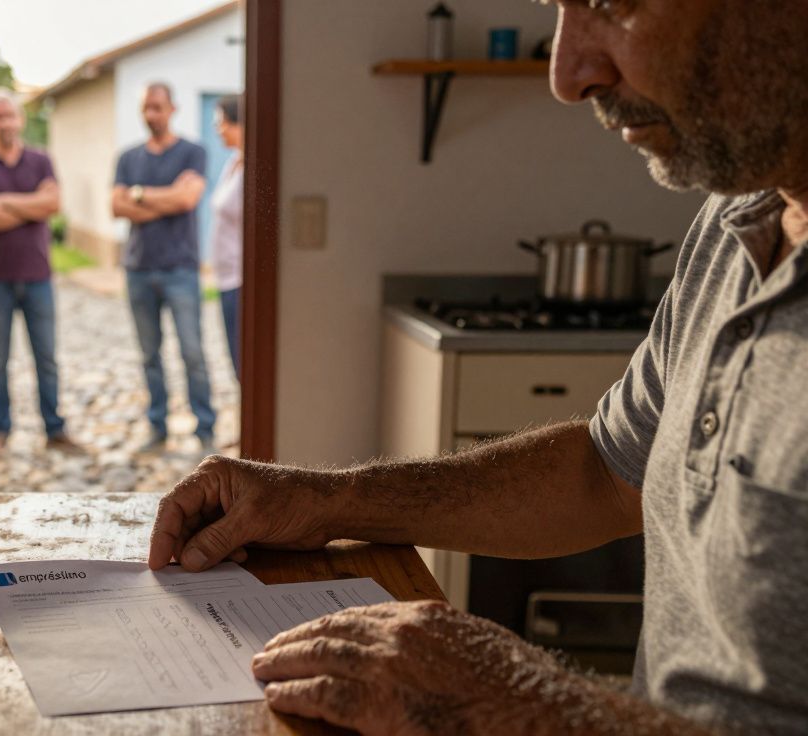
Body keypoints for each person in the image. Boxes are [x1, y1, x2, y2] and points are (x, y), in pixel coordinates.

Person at [149, 1, 808, 734]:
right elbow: (603, 473)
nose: (567, 75)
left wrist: (525, 707)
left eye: (609, 4)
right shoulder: (736, 220)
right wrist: (326, 501)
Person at [0, 88, 82, 454]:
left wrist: (6, 202)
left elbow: (53, 203)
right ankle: (0, 430)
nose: (6, 123)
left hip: (37, 275)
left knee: (46, 356)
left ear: (21, 119)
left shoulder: (41, 160)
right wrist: (31, 205)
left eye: (11, 115)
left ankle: (55, 429)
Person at [112, 82, 214, 455]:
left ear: (173, 108)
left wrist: (138, 195)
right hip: (138, 269)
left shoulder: (193, 152)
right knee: (149, 355)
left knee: (193, 352)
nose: (151, 114)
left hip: (180, 269)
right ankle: (158, 425)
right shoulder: (128, 158)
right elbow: (116, 206)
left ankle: (205, 427)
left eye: (158, 107)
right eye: (146, 108)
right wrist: (164, 197)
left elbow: (188, 199)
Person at [209, 95, 244, 381]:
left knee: (244, 363)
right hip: (226, 278)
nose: (218, 129)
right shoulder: (234, 163)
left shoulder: (256, 171)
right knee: (236, 362)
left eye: (221, 122)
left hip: (241, 281)